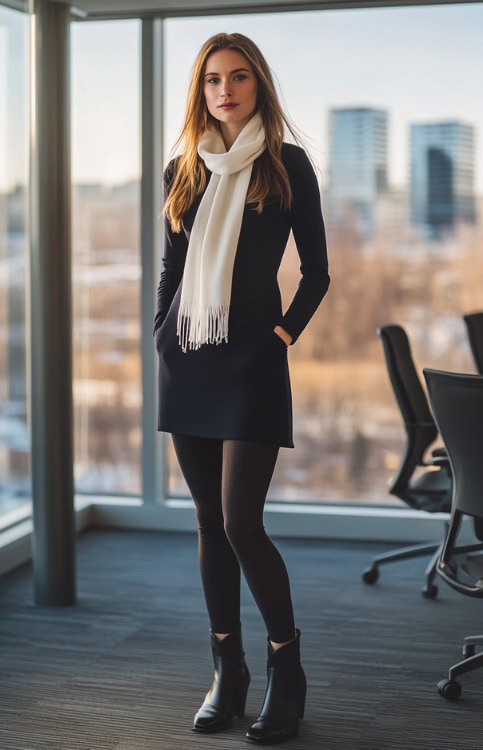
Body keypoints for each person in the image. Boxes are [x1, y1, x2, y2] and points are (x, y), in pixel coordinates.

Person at [153, 31, 330, 745]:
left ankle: (287, 669)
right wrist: (162, 333)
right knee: (206, 526)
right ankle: (228, 670)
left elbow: (316, 274)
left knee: (240, 524)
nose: (224, 90)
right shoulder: (181, 170)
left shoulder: (288, 167)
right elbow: (171, 267)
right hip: (188, 364)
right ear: (201, 91)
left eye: (239, 78)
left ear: (259, 86)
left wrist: (279, 338)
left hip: (253, 366)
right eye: (211, 80)